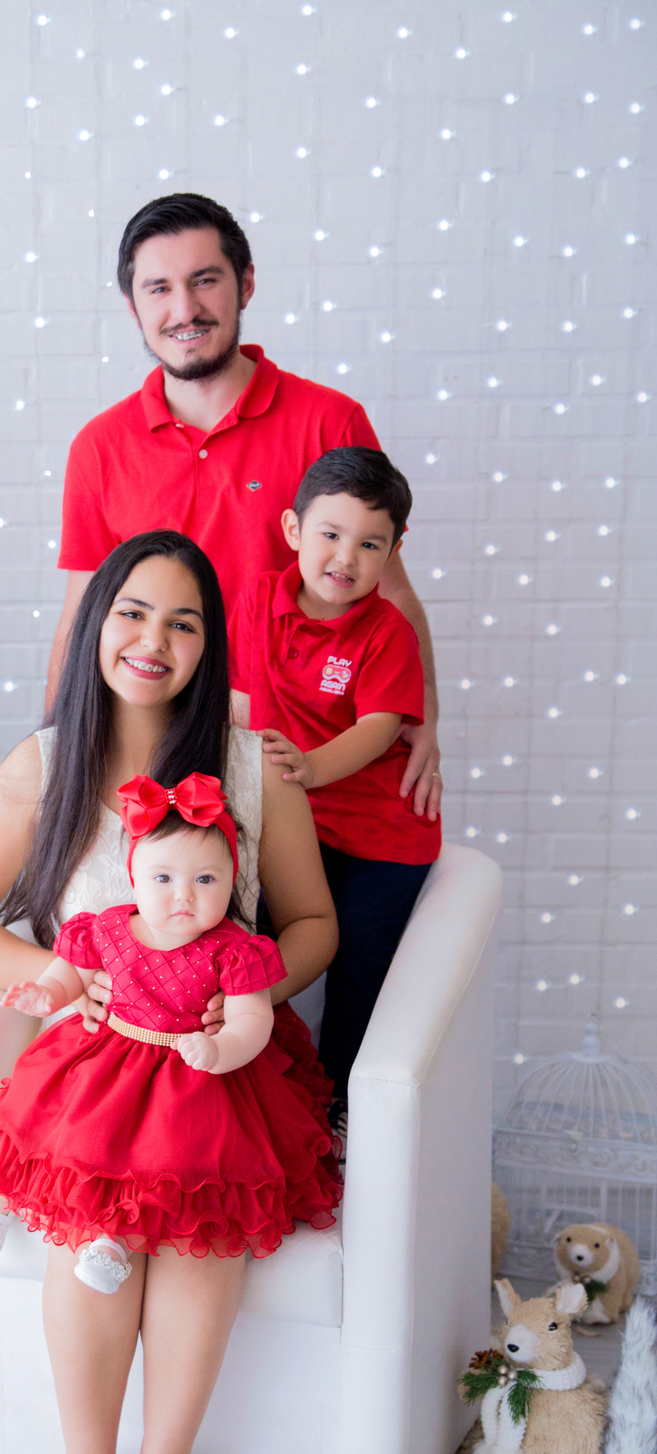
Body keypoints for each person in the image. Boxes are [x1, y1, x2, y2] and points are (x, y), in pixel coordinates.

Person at [0, 529, 340, 1454]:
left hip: (218, 1061)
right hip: (97, 1064)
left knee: (198, 1230)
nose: (155, 639)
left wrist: (242, 998)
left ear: (209, 648)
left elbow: (311, 925)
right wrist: (50, 977)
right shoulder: (44, 764)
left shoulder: (247, 764)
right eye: (133, 614)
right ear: (95, 626)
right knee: (98, 1233)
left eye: (185, 622)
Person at [49, 190, 442, 821]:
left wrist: (423, 711)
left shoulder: (330, 421)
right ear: (132, 306)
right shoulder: (99, 446)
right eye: (158, 288)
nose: (184, 309)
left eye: (205, 280)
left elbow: (388, 591)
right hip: (152, 759)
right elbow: (81, 620)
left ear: (246, 284)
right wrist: (57, 752)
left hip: (298, 762)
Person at [0, 775, 335, 1318]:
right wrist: (46, 994)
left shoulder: (236, 952)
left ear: (232, 880)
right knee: (56, 1128)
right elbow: (72, 976)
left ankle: (111, 1239)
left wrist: (223, 1048)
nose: (184, 895)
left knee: (161, 1158)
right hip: (108, 1054)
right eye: (163, 877)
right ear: (133, 876)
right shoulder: (107, 929)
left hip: (191, 1071)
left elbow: (254, 1019)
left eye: (206, 879)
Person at [231, 446, 442, 1125]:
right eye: (329, 534)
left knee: (357, 971)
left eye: (369, 544)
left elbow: (381, 725)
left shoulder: (386, 632)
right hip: (294, 820)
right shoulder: (259, 599)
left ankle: (342, 1114)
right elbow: (236, 696)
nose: (344, 558)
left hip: (381, 833)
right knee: (258, 947)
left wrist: (314, 766)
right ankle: (260, 1091)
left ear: (394, 550)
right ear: (294, 530)